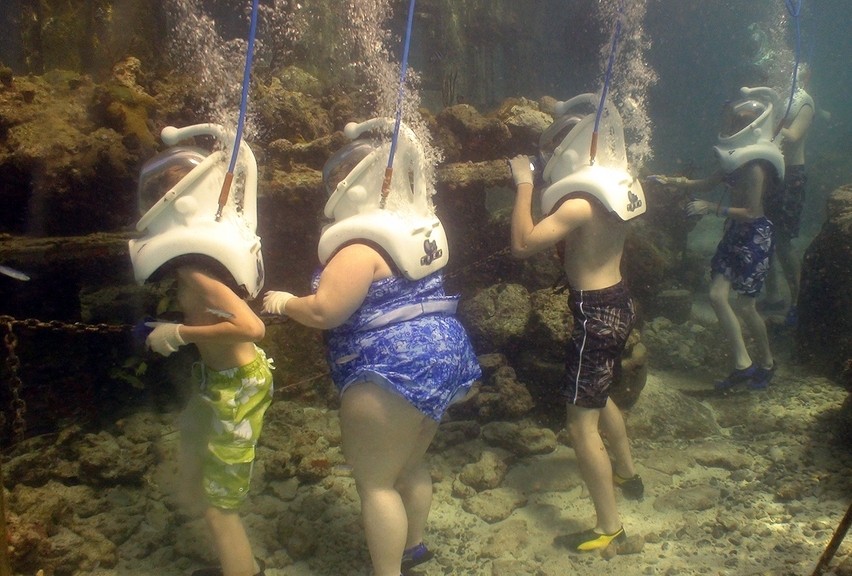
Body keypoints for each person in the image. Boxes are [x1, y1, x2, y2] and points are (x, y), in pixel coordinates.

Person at [261, 123, 481, 576]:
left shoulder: (358, 246)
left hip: (390, 368)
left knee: (376, 483)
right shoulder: (415, 230)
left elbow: (326, 311)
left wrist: (286, 302)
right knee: (410, 462)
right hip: (444, 353)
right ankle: (413, 546)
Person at [508, 94, 645, 553]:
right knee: (597, 390)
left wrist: (524, 184)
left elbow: (523, 244)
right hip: (619, 300)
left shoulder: (580, 203)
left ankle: (611, 529)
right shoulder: (618, 186)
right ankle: (627, 473)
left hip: (595, 311)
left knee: (579, 421)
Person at [128, 135, 272, 576]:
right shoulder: (195, 262)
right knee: (212, 482)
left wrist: (179, 333)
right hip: (228, 383)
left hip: (239, 386)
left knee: (219, 507)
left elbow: (252, 327)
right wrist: (176, 322)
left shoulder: (192, 267)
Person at [651, 88, 781, 393]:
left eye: (741, 123)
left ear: (753, 128)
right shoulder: (735, 161)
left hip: (755, 236)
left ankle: (767, 363)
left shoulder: (757, 167)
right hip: (736, 232)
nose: (734, 127)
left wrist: (713, 209)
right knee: (717, 295)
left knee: (746, 307)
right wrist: (673, 181)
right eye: (734, 121)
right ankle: (743, 364)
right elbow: (708, 183)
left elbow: (752, 211)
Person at [763, 67, 815, 325]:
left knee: (783, 239)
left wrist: (763, 125)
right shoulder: (779, 99)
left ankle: (797, 300)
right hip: (774, 172)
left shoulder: (805, 102)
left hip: (792, 174)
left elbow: (793, 136)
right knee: (766, 234)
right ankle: (773, 295)